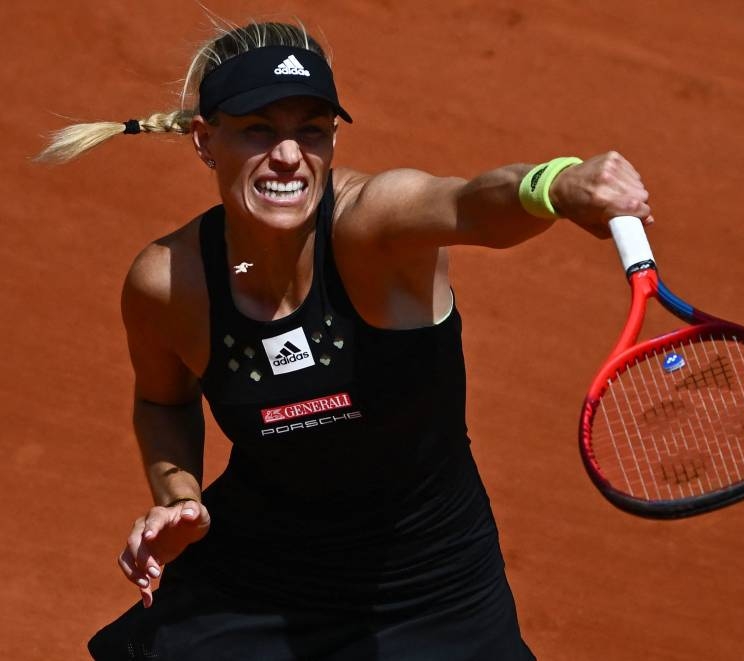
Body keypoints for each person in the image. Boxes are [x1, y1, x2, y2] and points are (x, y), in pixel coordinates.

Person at [39, 16, 652, 661]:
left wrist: (553, 184)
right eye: (258, 130)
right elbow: (163, 401)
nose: (288, 156)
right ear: (204, 140)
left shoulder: (374, 229)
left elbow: (470, 205)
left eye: (311, 130)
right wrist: (180, 499)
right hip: (257, 577)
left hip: (430, 587)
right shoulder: (169, 283)